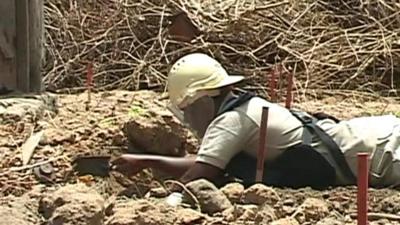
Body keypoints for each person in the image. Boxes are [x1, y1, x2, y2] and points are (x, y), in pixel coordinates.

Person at [111, 52, 400, 189]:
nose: (187, 119)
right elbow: (211, 161)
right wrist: (148, 161)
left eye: (187, 110)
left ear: (200, 99)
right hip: (373, 138)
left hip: (381, 155)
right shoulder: (243, 108)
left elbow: (200, 173)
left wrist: (165, 202)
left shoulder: (231, 121)